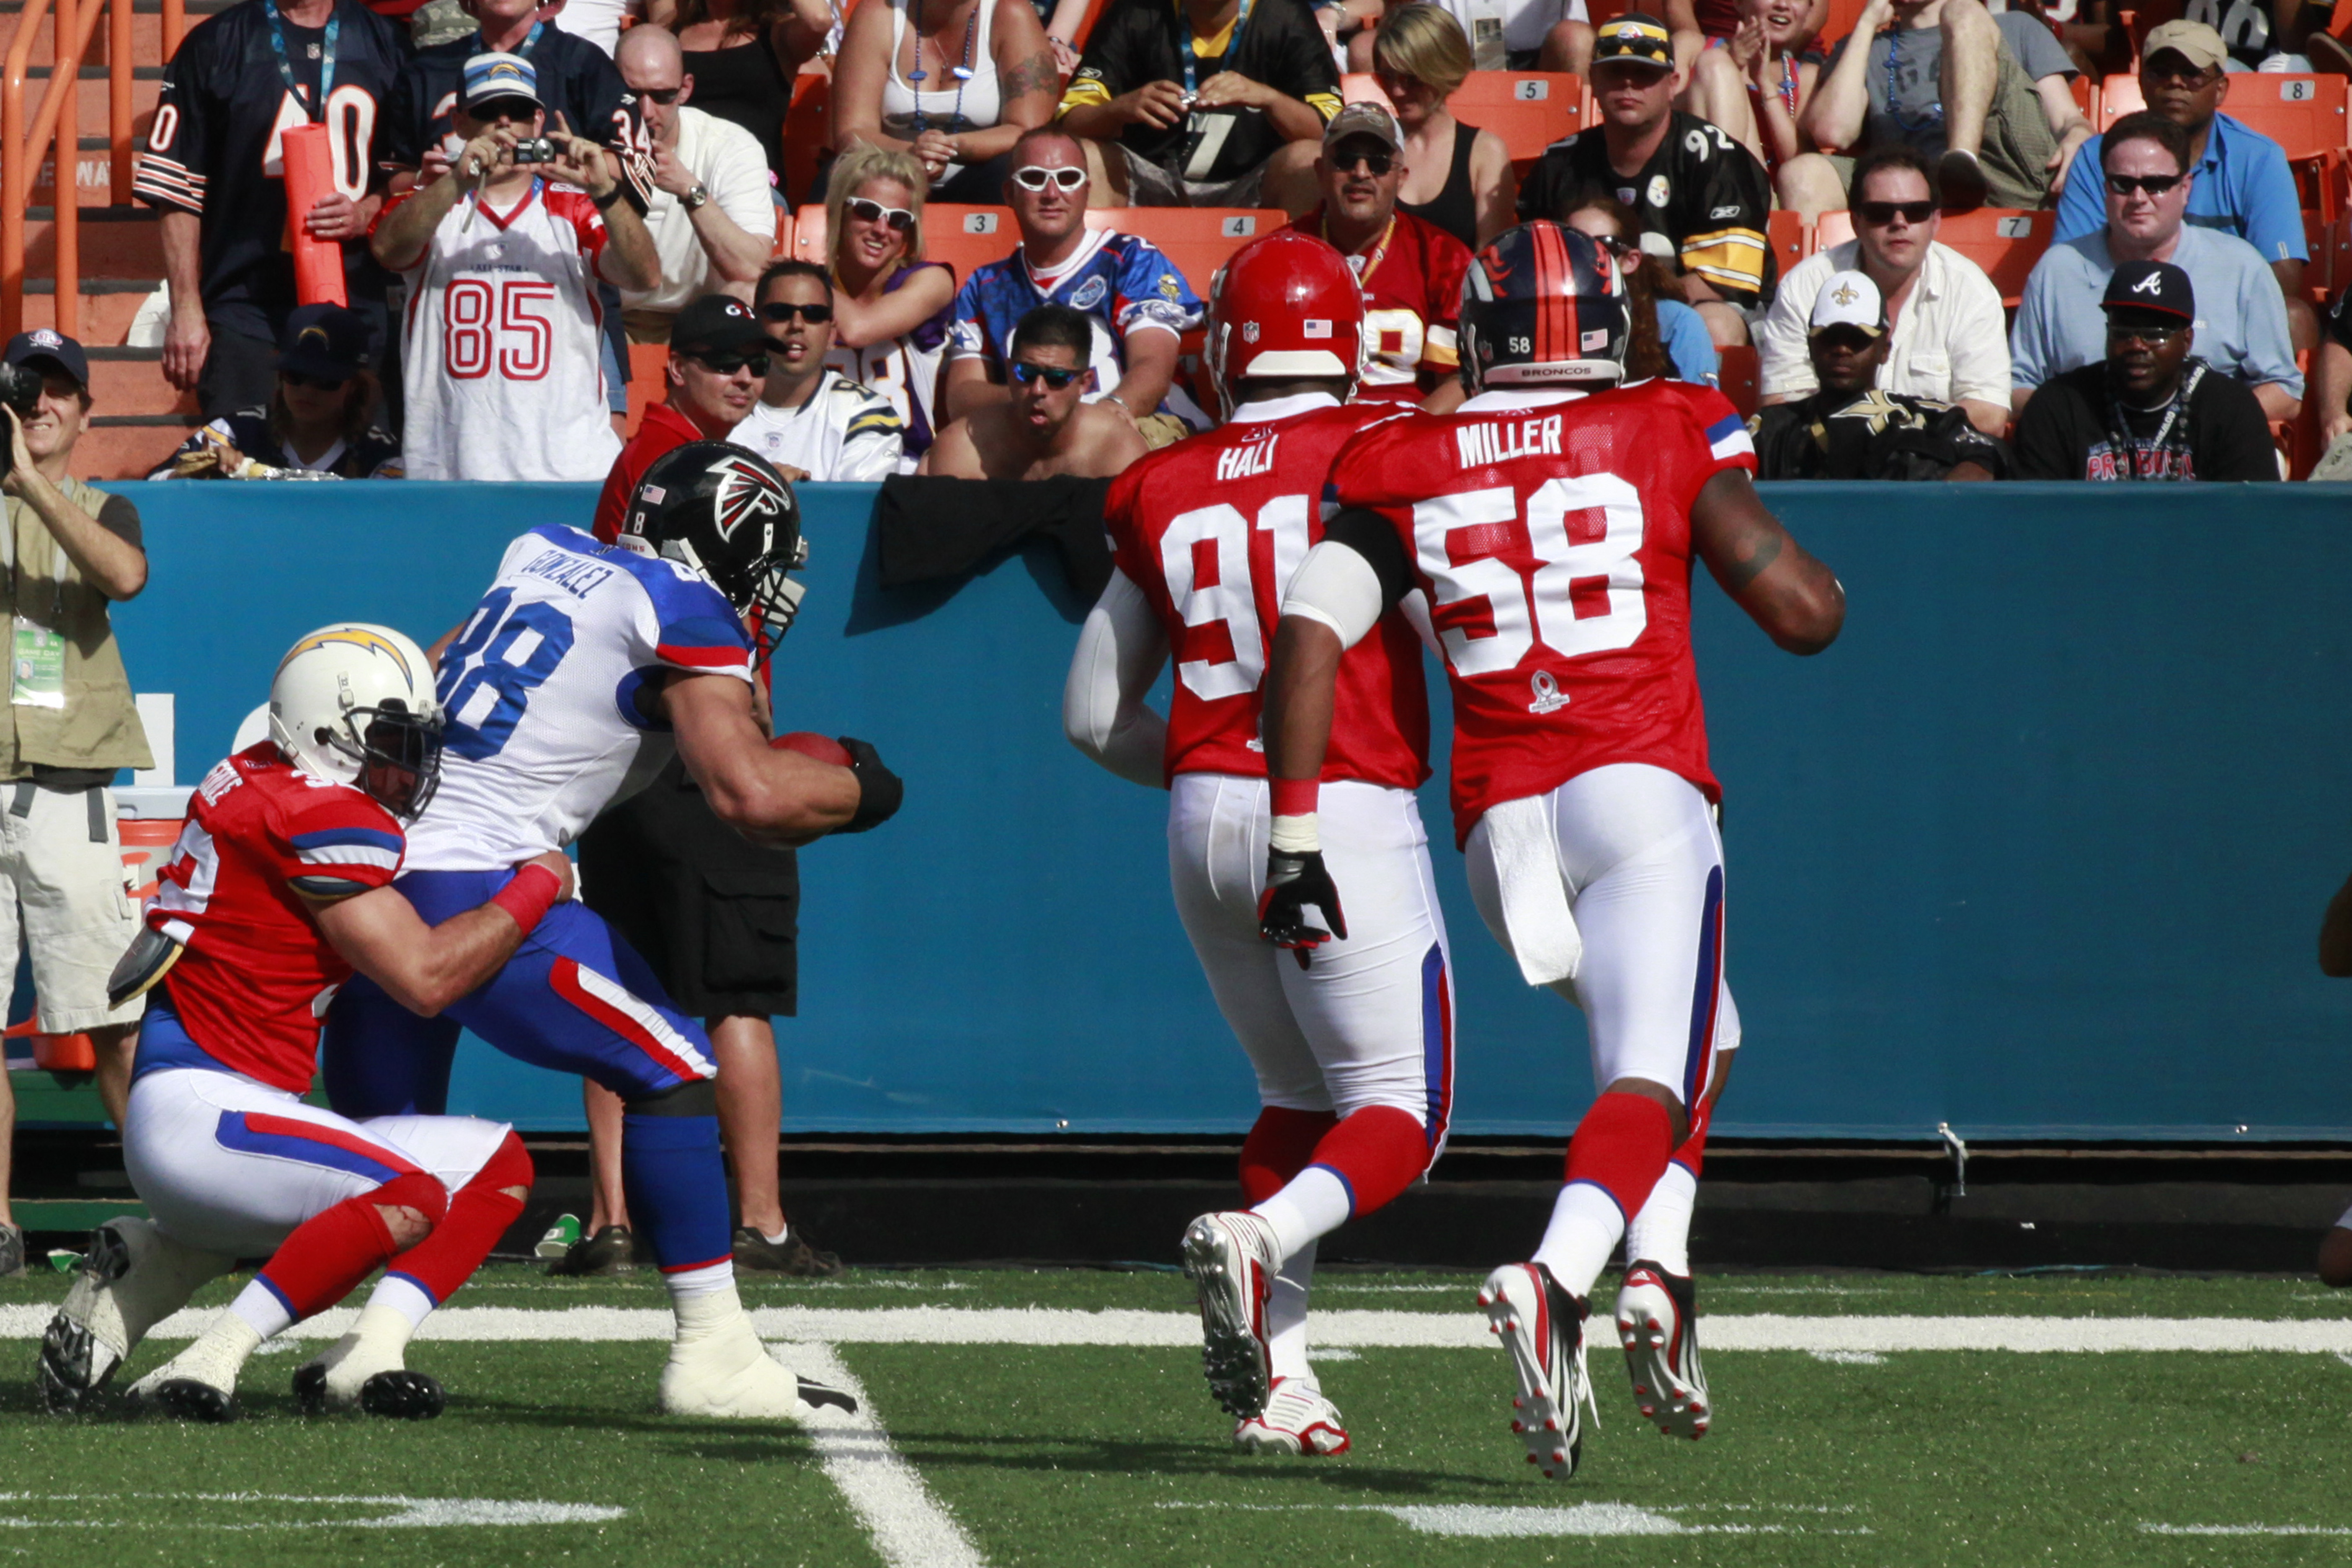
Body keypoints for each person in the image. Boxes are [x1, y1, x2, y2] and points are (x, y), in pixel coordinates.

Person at [1256, 221, 1842, 1478]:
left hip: (1499, 830)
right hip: (1638, 792)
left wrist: (1295, 833)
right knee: (1653, 1074)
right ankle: (1559, 1275)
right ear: (1611, 322)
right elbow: (1804, 619)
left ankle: (1661, 1271)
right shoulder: (1669, 422)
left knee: (1707, 1038)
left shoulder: (1401, 456)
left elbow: (1310, 637)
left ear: (1481, 332)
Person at [318, 443, 899, 1416]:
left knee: (393, 1154)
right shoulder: (684, 612)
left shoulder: (541, 550)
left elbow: (414, 681)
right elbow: (748, 792)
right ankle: (714, 1351)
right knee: (671, 1059)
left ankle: (343, 1340)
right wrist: (863, 786)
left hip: (378, 872)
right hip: (481, 880)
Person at [1063, 231, 1449, 1457]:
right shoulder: (1383, 451)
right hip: (1337, 810)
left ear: (1226, 348)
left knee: (1295, 1096)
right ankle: (1261, 1240)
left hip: (1203, 817)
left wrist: (1194, 774)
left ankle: (1282, 1387)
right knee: (1406, 1108)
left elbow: (1088, 715)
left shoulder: (1164, 479)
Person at [33, 625, 551, 1422]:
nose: (406, 763)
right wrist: (538, 884)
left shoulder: (262, 774)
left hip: (230, 1110)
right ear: (322, 732)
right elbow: (426, 976)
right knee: (407, 1190)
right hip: (206, 1113)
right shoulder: (313, 816)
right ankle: (216, 1355)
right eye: (387, 739)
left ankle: (350, 1342)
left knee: (497, 1161)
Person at [0, 330, 155, 1276]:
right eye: (26, 389)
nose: (42, 405)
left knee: (110, 1018)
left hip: (70, 783)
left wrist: (28, 482)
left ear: (89, 412)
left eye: (60, 392)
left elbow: (125, 576)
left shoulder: (106, 505)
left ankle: (173, 1211)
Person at [371, 53, 661, 482]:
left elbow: (645, 277)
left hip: (566, 468)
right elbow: (388, 250)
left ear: (539, 122)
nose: (505, 125)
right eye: (488, 112)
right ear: (460, 122)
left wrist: (605, 190)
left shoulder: (575, 206)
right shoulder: (430, 206)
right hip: (451, 467)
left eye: (519, 112)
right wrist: (457, 180)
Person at [134, 0, 410, 419]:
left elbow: (414, 170)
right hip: (246, 298)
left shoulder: (389, 43)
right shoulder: (216, 42)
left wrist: (368, 210)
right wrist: (187, 308)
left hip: (360, 296)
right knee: (244, 462)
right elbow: (178, 189)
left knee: (363, 466)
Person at [2011, 111, 2301, 422]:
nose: (2139, 198)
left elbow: (2285, 390)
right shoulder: (2058, 269)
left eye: (2156, 184)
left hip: (2207, 457)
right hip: (2087, 455)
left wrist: (2207, 427)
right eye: (2123, 184)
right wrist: (2074, 427)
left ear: (2186, 188)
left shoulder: (2242, 266)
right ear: (2105, 189)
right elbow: (2017, 385)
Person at [1515, 14, 1773, 348]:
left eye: (1644, 74)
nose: (1628, 85)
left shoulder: (1718, 159)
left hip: (1710, 306)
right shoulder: (1559, 164)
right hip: (1587, 308)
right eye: (1615, 72)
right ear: (1593, 79)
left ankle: (1700, 403)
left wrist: (1632, 310)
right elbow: (1536, 269)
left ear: (1673, 84)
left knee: (1712, 327)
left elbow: (1719, 283)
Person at [2052, 20, 2312, 351]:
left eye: (2192, 73)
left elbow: (2283, 280)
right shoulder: (2097, 157)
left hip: (2221, 317)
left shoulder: (2259, 158)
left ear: (2220, 89)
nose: (2175, 83)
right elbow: (2072, 266)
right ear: (2142, 85)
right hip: (2121, 317)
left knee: (2293, 315)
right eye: (2160, 72)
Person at [942, 127, 1205, 441]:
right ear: (1010, 194)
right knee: (946, 456)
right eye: (1034, 179)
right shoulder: (985, 286)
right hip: (1029, 432)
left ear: (1086, 190)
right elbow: (962, 397)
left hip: (1131, 424)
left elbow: (1153, 367)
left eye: (1068, 179)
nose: (1052, 193)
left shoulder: (1131, 260)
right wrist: (1046, 404)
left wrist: (1106, 412)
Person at [1754, 144, 2009, 436]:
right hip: (1827, 463)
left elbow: (1990, 415)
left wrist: (1891, 439)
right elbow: (1781, 405)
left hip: (1932, 465)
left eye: (1916, 211)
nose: (1899, 223)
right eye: (1880, 213)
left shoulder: (1970, 290)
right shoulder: (1805, 286)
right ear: (1856, 221)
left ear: (1935, 220)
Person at [1789, 0, 2089, 216]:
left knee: (1963, 12)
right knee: (1803, 174)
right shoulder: (1863, 47)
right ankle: (1830, 300)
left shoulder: (2016, 27)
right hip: (1912, 185)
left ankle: (1961, 164)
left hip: (2006, 172)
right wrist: (1867, 22)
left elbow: (2066, 118)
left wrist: (2079, 133)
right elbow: (1833, 133)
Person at [1056, 0, 1340, 212]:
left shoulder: (1285, 14)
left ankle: (1300, 280)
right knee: (1083, 157)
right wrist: (1118, 108)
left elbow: (1331, 131)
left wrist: (1270, 99)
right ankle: (1091, 280)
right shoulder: (1137, 10)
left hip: (1250, 182)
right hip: (1147, 177)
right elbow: (1069, 121)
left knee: (1310, 160)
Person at [2011, 259, 2277, 481]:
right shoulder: (2058, 405)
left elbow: (2250, 521)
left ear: (2187, 340)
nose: (2136, 345)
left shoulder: (2231, 408)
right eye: (2122, 332)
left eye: (2154, 334)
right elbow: (2035, 520)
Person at [1284, 104, 1472, 413]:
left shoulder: (1443, 258)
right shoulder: (1279, 255)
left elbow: (1459, 383)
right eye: (1345, 160)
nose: (1361, 173)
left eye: (1379, 163)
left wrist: (1398, 441)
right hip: (1307, 434)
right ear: (1320, 171)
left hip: (1408, 437)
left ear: (1401, 177)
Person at [1748, 271, 2006, 479]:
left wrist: (1938, 505)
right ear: (1810, 346)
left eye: (1857, 339)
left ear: (1885, 350)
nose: (1842, 349)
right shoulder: (1770, 427)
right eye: (1829, 338)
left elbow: (1987, 456)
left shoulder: (1932, 419)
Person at [614, 25, 779, 341]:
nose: (647, 111)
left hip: (700, 320)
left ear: (685, 89)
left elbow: (752, 268)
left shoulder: (730, 145)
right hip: (606, 315)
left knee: (747, 292)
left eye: (663, 95)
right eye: (632, 94)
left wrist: (691, 192)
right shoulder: (587, 141)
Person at [831, 0, 1064, 203]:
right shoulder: (877, 14)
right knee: (839, 175)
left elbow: (1028, 131)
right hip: (889, 173)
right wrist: (912, 153)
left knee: (1011, 172)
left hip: (980, 178)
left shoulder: (1012, 15)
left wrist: (943, 149)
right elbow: (854, 132)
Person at [149, 304, 402, 480]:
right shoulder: (234, 431)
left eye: (326, 381)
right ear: (279, 377)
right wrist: (197, 474)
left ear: (355, 386)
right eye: (295, 376)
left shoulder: (380, 453)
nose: (307, 390)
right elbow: (149, 490)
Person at [821, 146, 959, 465]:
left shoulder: (932, 281)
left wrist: (797, 283)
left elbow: (857, 330)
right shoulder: (809, 286)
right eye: (868, 211)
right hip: (821, 465)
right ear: (840, 211)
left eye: (898, 220)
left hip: (903, 466)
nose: (882, 230)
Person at [594, 296, 776, 538]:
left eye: (759, 365)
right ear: (679, 369)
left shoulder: (682, 449)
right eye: (725, 362)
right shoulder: (665, 457)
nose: (745, 378)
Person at [922, 304, 1150, 477]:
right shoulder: (963, 449)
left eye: (1057, 378)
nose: (1038, 390)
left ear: (1085, 383)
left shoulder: (1116, 449)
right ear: (1010, 373)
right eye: (1026, 374)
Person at [733, 261, 908, 481]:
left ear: (832, 334)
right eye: (780, 312)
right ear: (756, 325)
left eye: (814, 314)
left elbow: (857, 511)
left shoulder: (866, 413)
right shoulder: (717, 401)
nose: (797, 325)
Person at [1372, 4, 1518, 251]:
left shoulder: (1485, 153)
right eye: (1386, 78)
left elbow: (1490, 267)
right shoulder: (1370, 146)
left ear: (1442, 69)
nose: (1396, 91)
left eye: (1410, 79)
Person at [656, 0, 834, 189]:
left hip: (753, 184)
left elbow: (819, 20)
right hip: (678, 179)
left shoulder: (777, 33)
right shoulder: (671, 31)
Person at [1563, 190, 1720, 386]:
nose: (1584, 258)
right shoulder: (1537, 321)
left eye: (1601, 247)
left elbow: (1703, 410)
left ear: (1630, 261)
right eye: (1571, 246)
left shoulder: (1677, 322)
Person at [1681, 0, 1825, 194]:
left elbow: (1797, 161)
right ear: (1740, 3)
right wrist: (1732, 65)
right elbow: (1662, 122)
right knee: (1714, 62)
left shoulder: (1807, 76)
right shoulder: (1691, 46)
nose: (1783, 4)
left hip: (1764, 199)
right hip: (1692, 185)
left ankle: (1730, 201)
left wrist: (1765, 84)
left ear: (1809, 12)